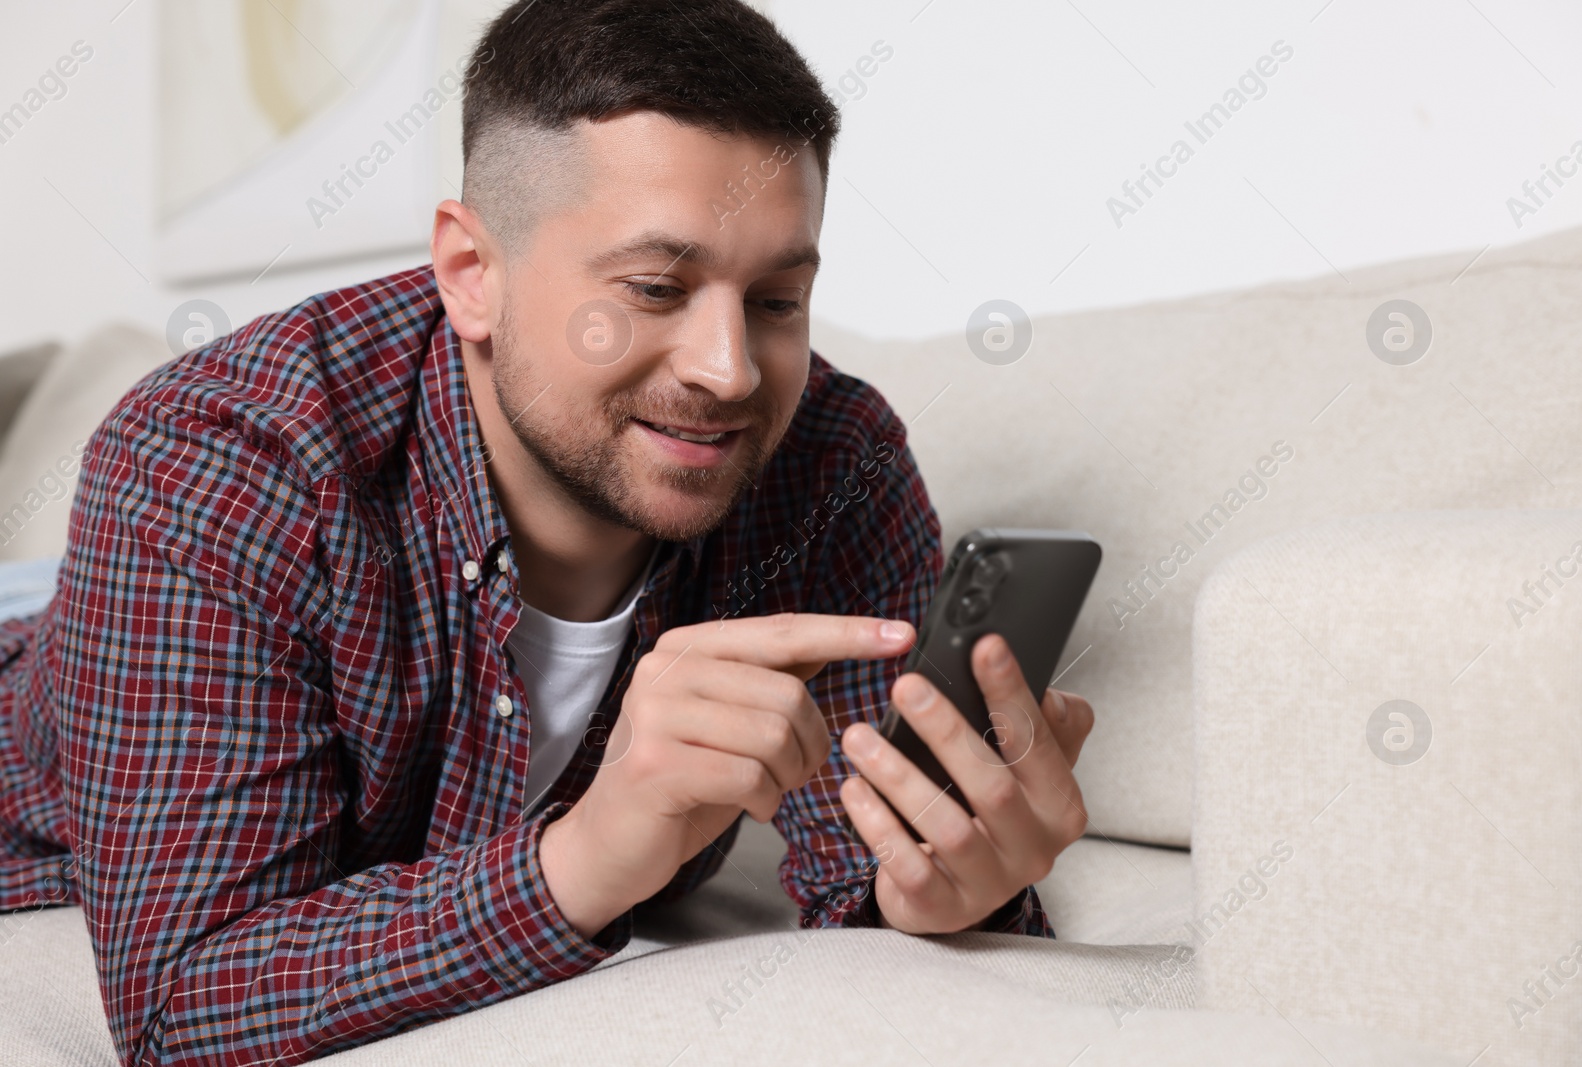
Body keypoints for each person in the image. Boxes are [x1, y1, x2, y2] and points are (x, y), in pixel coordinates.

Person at [0, 1, 1094, 1062]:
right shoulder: (212, 461)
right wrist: (582, 856)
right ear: (473, 274)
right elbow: (187, 1001)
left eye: (775, 302)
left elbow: (863, 878)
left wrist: (949, 892)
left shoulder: (832, 461)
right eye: (657, 288)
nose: (729, 369)